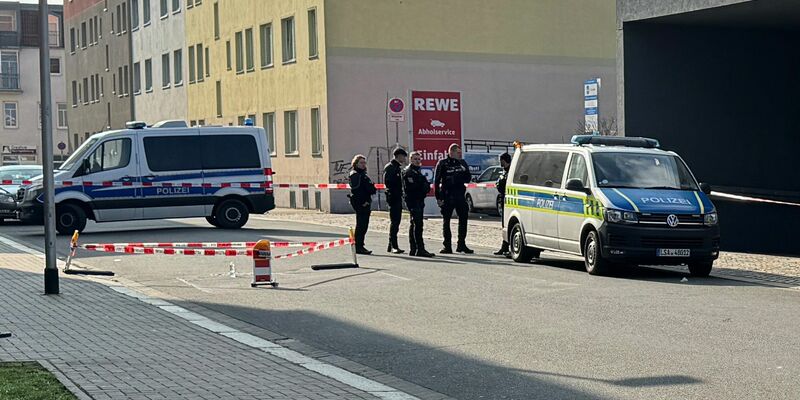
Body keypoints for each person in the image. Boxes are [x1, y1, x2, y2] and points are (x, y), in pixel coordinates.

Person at [434, 143, 474, 254]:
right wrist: (438, 197)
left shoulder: (462, 163)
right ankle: (447, 246)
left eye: (460, 152)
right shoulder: (442, 163)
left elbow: (468, 177)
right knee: (446, 221)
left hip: (460, 195)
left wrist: (459, 178)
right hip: (447, 196)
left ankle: (461, 244)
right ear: (451, 152)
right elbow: (436, 181)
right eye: (458, 152)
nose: (460, 154)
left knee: (463, 219)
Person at [402, 151, 434, 257]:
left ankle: (414, 249)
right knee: (418, 224)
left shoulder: (417, 172)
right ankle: (419, 248)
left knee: (415, 224)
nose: (417, 161)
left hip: (419, 200)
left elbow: (425, 186)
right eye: (415, 159)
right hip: (413, 200)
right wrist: (423, 185)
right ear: (411, 159)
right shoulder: (409, 172)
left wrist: (423, 185)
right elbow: (413, 188)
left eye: (419, 159)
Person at [349, 154, 377, 255]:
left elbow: (370, 188)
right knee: (361, 224)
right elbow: (356, 190)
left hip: (366, 200)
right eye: (361, 162)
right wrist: (363, 201)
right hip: (360, 202)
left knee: (364, 224)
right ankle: (358, 246)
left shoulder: (363, 174)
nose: (363, 164)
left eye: (364, 163)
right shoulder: (355, 174)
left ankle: (360, 244)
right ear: (356, 163)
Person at [383, 148, 408, 254]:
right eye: (403, 156)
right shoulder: (391, 167)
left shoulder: (397, 167)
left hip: (397, 197)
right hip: (393, 198)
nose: (404, 158)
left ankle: (391, 244)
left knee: (396, 222)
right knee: (395, 222)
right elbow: (389, 183)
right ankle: (394, 245)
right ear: (398, 156)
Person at [494, 152, 512, 256]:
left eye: (500, 160)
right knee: (504, 225)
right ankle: (504, 247)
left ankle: (507, 247)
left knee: (508, 225)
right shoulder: (504, 171)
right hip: (504, 200)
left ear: (504, 160)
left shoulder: (511, 171)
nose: (499, 162)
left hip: (509, 200)